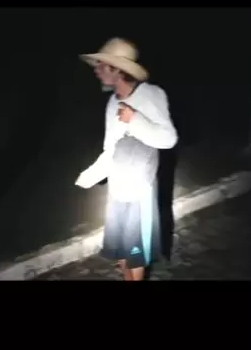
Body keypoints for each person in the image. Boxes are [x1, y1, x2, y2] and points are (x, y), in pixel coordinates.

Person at [75, 38, 178, 281]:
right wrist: (91, 175)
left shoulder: (151, 95)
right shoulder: (112, 103)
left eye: (101, 66)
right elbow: (111, 148)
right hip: (117, 188)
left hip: (141, 191)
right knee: (121, 249)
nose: (96, 71)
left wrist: (135, 119)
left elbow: (168, 139)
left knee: (136, 253)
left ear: (117, 70)